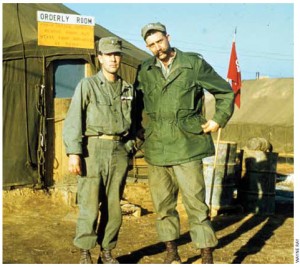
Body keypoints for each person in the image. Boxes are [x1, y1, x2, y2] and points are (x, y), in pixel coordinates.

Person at [135, 22, 234, 264]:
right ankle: (171, 252)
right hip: (157, 147)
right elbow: (136, 103)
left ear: (168, 37)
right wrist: (138, 130)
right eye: (151, 45)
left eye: (160, 41)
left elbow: (225, 92)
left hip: (187, 145)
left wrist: (217, 120)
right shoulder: (145, 69)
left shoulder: (193, 64)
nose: (157, 48)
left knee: (196, 205)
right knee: (163, 206)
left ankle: (206, 254)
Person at [63, 37, 135, 264]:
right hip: (93, 150)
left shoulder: (128, 88)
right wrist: (74, 152)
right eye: (108, 54)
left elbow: (134, 123)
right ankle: (85, 251)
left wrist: (130, 146)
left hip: (119, 151)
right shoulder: (88, 85)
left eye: (117, 54)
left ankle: (107, 251)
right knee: (89, 203)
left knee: (114, 206)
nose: (113, 59)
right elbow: (74, 119)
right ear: (100, 58)